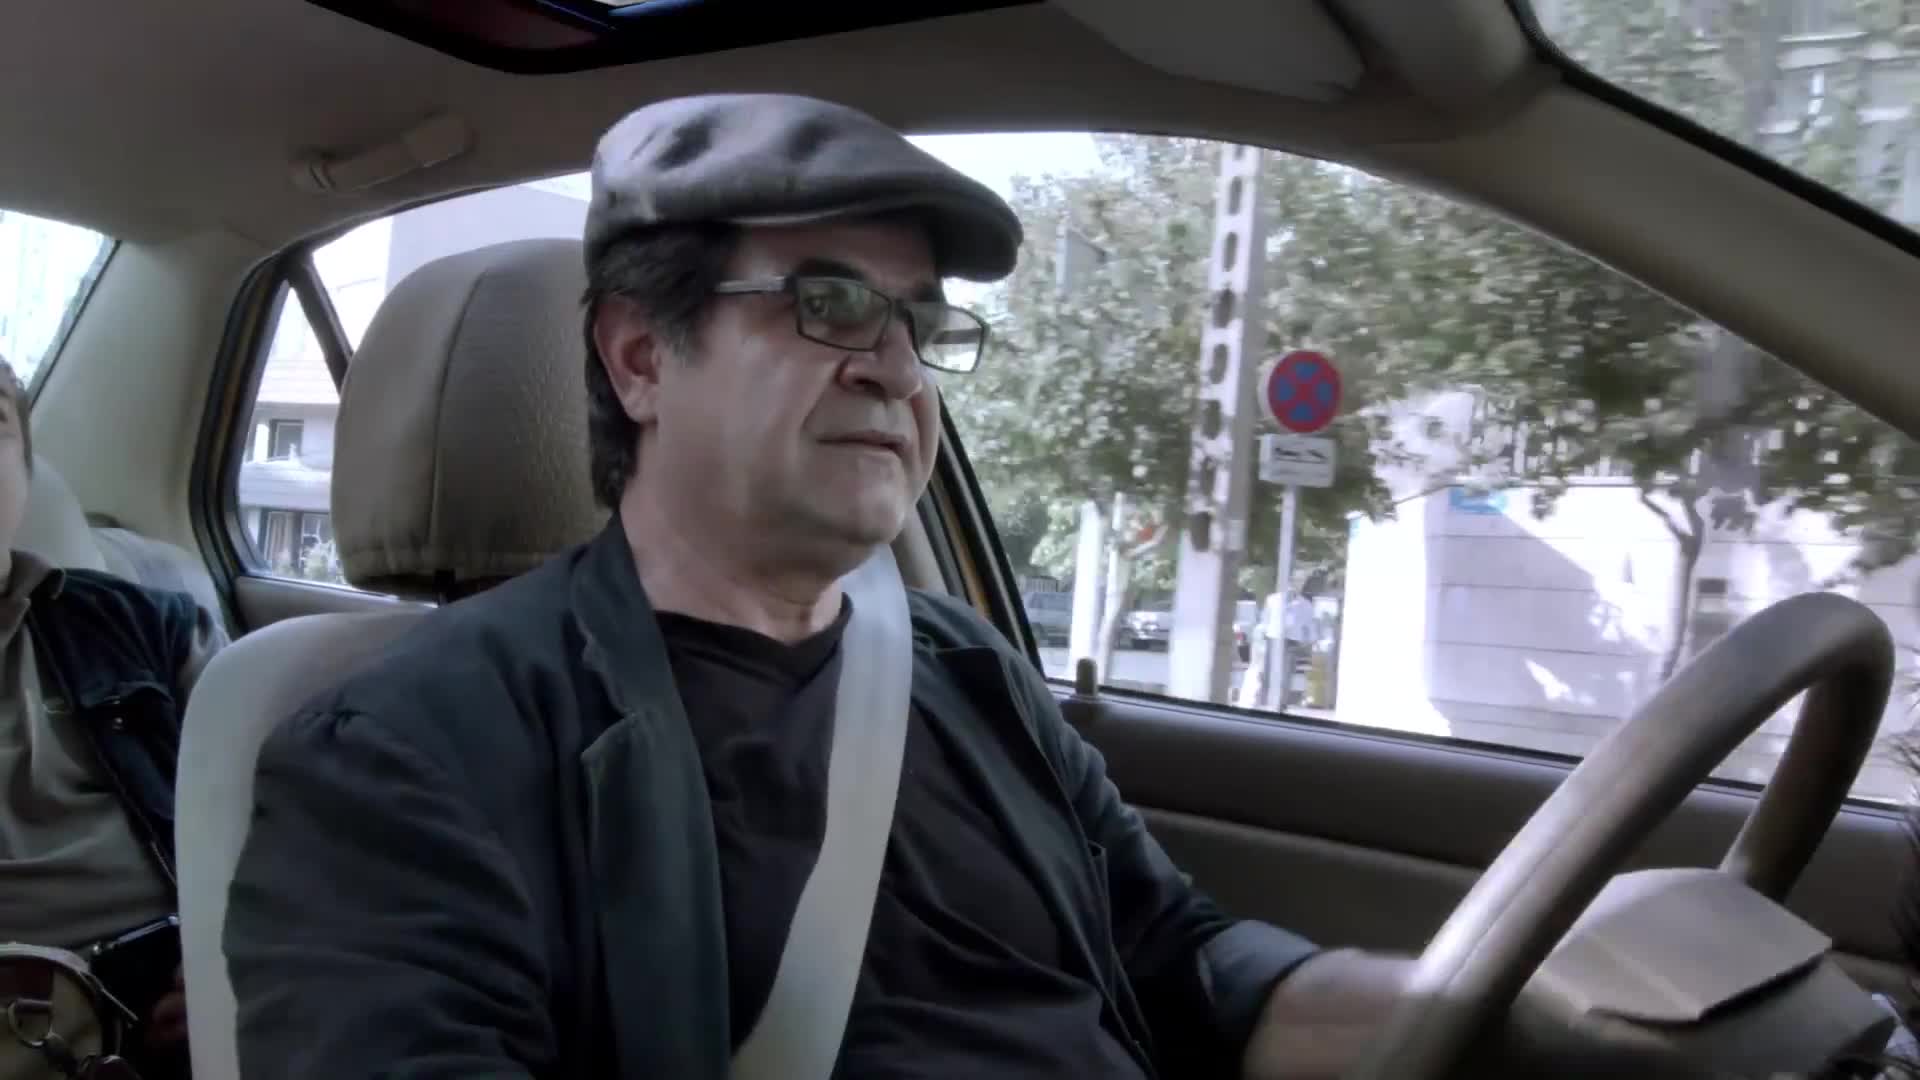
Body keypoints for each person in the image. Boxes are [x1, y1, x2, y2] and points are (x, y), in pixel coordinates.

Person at [222, 94, 1661, 1079]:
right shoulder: (403, 757)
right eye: (831, 303)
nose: (897, 369)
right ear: (641, 358)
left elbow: (1185, 965)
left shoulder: (968, 673)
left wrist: (1488, 1013)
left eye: (921, 325)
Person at [0, 358, 224, 1078]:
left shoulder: (152, 628)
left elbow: (286, 814)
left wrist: (237, 949)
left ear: (25, 471)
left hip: (177, 1004)